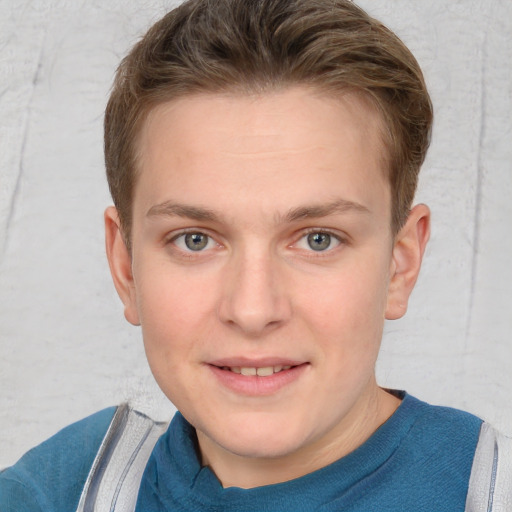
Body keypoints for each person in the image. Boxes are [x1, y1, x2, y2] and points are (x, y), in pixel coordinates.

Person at [0, 0, 510, 510]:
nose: (252, 310)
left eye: (318, 239)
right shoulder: (59, 492)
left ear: (401, 264)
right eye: (195, 240)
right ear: (126, 266)